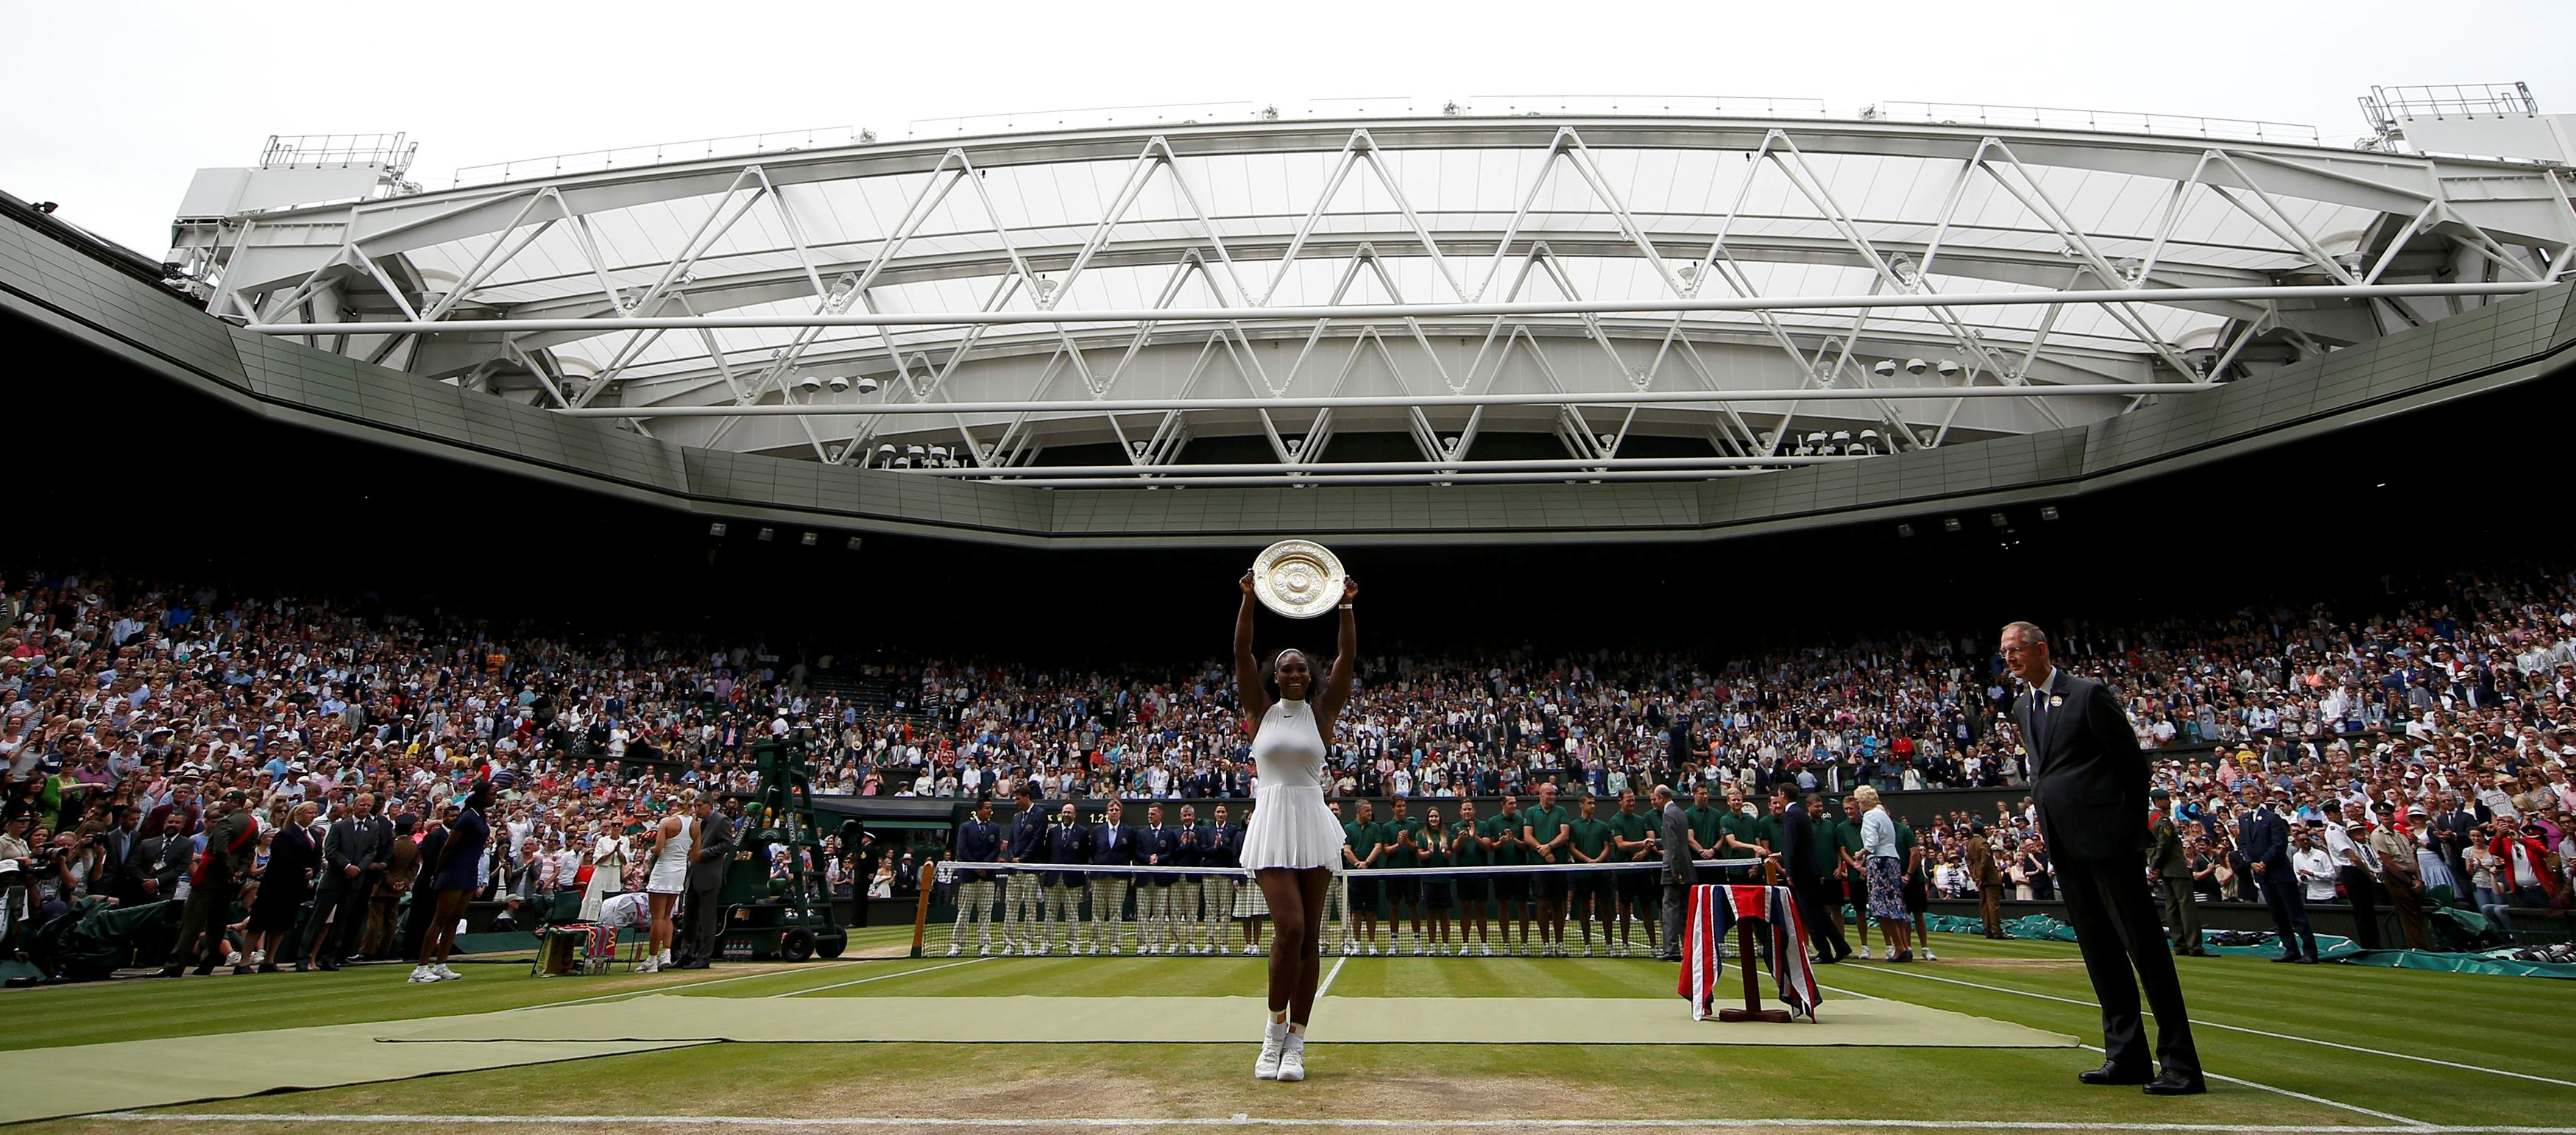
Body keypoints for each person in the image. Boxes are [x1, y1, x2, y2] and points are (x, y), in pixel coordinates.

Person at [2002, 621, 2201, 1096]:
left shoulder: (2087, 694)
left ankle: (2180, 1065)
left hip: (2109, 843)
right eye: (2004, 652)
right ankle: (2126, 1056)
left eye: (2015, 650)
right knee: (2099, 953)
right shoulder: (2022, 704)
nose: (2009, 658)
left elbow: (2133, 765)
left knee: (2146, 952)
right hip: (2065, 845)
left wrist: (2125, 830)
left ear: (2041, 649)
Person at [1234, 567, 1357, 1083]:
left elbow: (1348, 658)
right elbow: (1241, 653)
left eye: (1301, 668)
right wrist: (1247, 599)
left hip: (1312, 819)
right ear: (1275, 675)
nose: (1294, 674)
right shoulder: (1259, 710)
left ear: (1310, 676)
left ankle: (1297, 1045)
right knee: (1290, 927)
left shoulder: (1324, 713)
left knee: (1311, 941)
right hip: (1272, 821)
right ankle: (1271, 1035)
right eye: (1286, 668)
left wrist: (1346, 606)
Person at [158, 788, 255, 978]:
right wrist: (238, 872)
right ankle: (207, 964)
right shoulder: (251, 823)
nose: (222, 804)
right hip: (230, 879)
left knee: (192, 921)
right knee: (218, 923)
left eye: (226, 801)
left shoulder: (226, 822)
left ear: (235, 802)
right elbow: (249, 852)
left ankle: (175, 965)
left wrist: (228, 871)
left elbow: (219, 850)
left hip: (211, 876)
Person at [411, 780, 490, 983]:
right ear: (482, 795)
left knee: (455, 919)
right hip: (454, 871)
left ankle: (440, 964)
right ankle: (420, 969)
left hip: (470, 872)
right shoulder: (467, 818)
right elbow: (448, 847)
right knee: (441, 918)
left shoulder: (480, 816)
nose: (495, 798)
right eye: (492, 794)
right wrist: (437, 873)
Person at [2235, 783, 2316, 963]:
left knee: (2295, 913)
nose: (2251, 796)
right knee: (2278, 915)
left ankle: (2310, 952)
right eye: (2247, 794)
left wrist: (2264, 862)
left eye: (2254, 793)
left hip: (2279, 872)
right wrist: (2252, 864)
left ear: (2260, 795)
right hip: (2262, 875)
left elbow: (2279, 844)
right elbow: (2244, 846)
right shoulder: (2244, 819)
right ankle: (2291, 949)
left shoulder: (2272, 818)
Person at [247, 801, 319, 973]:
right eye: (310, 812)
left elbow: (317, 857)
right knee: (259, 923)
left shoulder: (314, 835)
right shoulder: (285, 834)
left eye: (315, 813)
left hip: (295, 887)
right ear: (298, 814)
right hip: (276, 885)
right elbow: (282, 857)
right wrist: (303, 870)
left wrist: (313, 870)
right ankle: (244, 961)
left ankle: (269, 960)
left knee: (282, 925)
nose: (313, 816)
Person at [633, 788, 693, 975]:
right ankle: (666, 955)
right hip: (679, 871)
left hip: (663, 870)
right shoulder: (695, 825)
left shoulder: (666, 823)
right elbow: (696, 854)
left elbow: (658, 849)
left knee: (657, 916)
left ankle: (651, 960)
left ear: (677, 805)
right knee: (667, 915)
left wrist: (650, 847)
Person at [673, 792, 736, 969]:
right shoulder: (699, 823)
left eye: (700, 806)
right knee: (689, 919)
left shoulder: (721, 820)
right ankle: (686, 954)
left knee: (707, 920)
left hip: (709, 877)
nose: (697, 810)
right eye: (695, 806)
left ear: (710, 804)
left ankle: (704, 957)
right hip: (694, 876)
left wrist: (701, 854)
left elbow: (726, 844)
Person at [1855, 787, 1911, 962]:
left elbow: (1871, 843)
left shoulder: (1871, 816)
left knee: (1883, 907)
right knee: (1893, 904)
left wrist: (1860, 854)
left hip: (1879, 862)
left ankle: (1900, 947)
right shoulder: (1883, 815)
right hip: (1892, 861)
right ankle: (1903, 946)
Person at [2148, 789, 2204, 957]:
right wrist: (2156, 866)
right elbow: (2164, 846)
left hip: (2164, 868)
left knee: (2171, 907)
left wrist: (2155, 866)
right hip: (2174, 867)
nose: (2169, 802)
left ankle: (2179, 944)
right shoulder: (2163, 820)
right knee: (2186, 907)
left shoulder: (2150, 818)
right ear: (2158, 801)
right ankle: (2194, 946)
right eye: (2166, 800)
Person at [948, 797, 1002, 956]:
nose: (989, 811)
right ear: (979, 810)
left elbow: (996, 849)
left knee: (986, 913)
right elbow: (962, 850)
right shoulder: (966, 827)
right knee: (964, 912)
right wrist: (977, 867)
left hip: (988, 878)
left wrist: (984, 866)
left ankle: (984, 944)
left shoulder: (995, 828)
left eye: (990, 808)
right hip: (969, 877)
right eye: (987, 808)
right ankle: (957, 945)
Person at [1653, 784, 1695, 963]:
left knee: (1670, 910)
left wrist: (1675, 871)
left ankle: (1671, 950)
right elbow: (1672, 840)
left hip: (1674, 870)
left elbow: (1673, 845)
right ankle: (1690, 948)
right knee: (1685, 911)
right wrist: (1655, 841)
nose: (1655, 802)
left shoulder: (1668, 814)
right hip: (1687, 868)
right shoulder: (1680, 812)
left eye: (1656, 799)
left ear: (1662, 798)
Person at [1964, 819, 2004, 939]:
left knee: (1984, 906)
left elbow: (1969, 862)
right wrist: (1980, 878)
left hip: (1980, 879)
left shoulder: (1970, 843)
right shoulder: (1983, 844)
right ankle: (1996, 932)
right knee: (1993, 906)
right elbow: (1984, 863)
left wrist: (1975, 877)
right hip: (1989, 879)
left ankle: (1988, 931)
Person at [581, 823, 631, 922]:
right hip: (601, 872)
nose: (617, 827)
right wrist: (612, 852)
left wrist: (618, 852)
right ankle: (591, 920)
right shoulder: (602, 840)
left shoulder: (625, 840)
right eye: (614, 825)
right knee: (596, 897)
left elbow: (625, 861)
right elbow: (597, 860)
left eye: (619, 825)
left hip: (615, 873)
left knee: (613, 899)